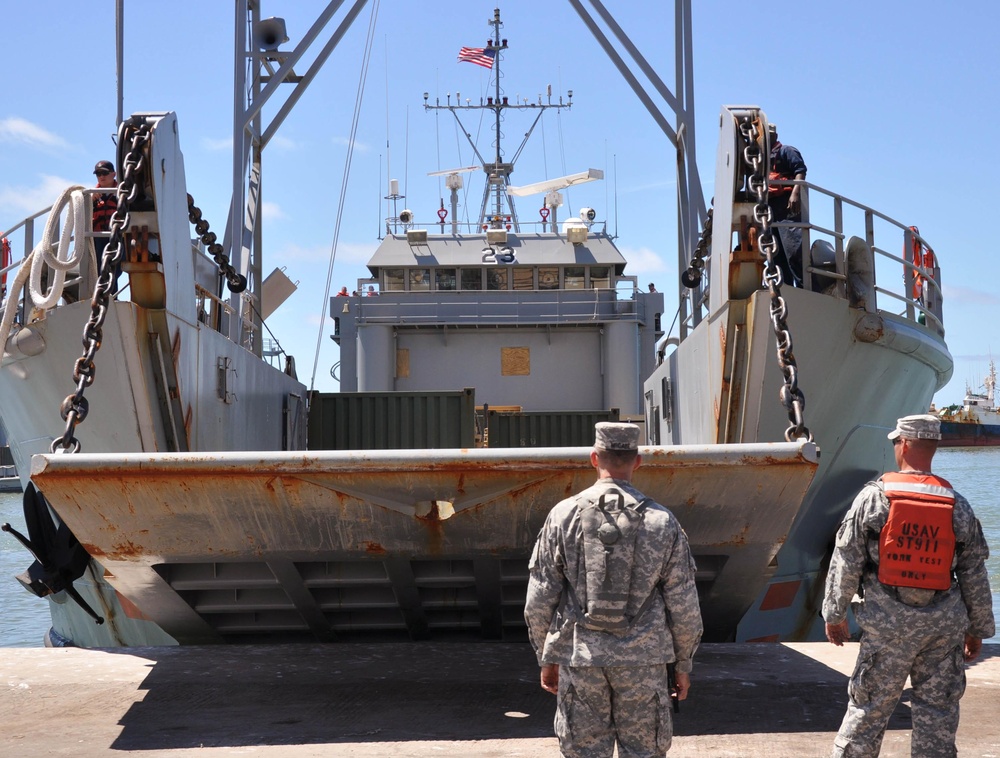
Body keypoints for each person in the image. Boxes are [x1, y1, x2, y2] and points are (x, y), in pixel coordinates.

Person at [524, 422, 703, 758]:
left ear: (594, 458)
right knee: (644, 752)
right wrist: (683, 664)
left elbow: (539, 600)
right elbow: (684, 605)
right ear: (637, 461)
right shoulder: (662, 521)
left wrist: (546, 656)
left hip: (581, 660)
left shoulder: (562, 516)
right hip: (644, 662)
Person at [823, 414, 994, 758]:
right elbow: (974, 573)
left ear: (902, 444)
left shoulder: (874, 499)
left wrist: (835, 612)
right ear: (933, 446)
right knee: (937, 715)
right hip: (942, 631)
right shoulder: (957, 505)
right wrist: (978, 628)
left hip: (888, 629)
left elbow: (847, 559)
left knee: (868, 711)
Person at [767, 124, 807, 288]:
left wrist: (795, 193)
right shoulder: (763, 159)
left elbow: (800, 170)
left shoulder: (787, 151)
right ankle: (786, 288)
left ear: (775, 136)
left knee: (793, 250)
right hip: (771, 208)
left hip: (787, 206)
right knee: (776, 252)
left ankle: (805, 286)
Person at [92, 160, 120, 291]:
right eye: (98, 173)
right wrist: (89, 201)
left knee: (115, 268)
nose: (101, 176)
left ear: (113, 174)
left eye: (104, 173)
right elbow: (83, 217)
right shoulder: (91, 195)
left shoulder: (122, 192)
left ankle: (111, 297)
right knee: (100, 269)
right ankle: (105, 296)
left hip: (118, 237)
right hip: (98, 237)